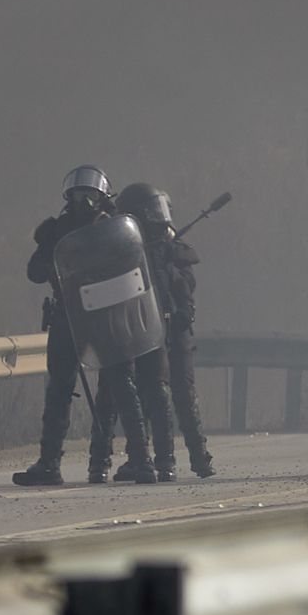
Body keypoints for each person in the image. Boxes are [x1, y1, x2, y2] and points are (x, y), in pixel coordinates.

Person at [14, 166, 157, 485]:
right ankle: (49, 463)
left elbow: (133, 264)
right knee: (59, 388)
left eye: (90, 196)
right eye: (78, 196)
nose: (84, 202)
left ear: (103, 197)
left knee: (122, 384)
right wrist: (54, 264)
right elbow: (34, 270)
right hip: (69, 315)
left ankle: (140, 460)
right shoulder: (57, 229)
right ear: (68, 197)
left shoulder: (116, 228)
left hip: (107, 316)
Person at [108, 183, 179, 482]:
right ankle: (163, 461)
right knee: (156, 390)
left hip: (133, 326)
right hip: (151, 326)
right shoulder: (154, 248)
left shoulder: (146, 248)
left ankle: (143, 459)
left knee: (134, 389)